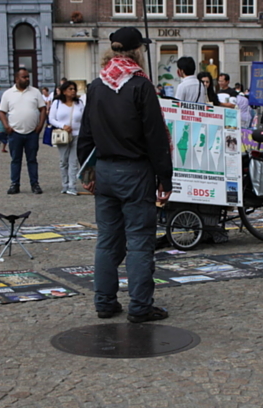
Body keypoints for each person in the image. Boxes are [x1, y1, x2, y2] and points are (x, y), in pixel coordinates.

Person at [77, 26, 173, 323]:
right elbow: (155, 137)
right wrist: (165, 178)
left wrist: (87, 173)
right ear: (137, 52)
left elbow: (86, 135)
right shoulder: (141, 86)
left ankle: (105, 302)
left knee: (107, 240)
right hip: (136, 173)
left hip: (105, 171)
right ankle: (140, 307)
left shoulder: (96, 85)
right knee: (140, 242)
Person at [0, 68, 46, 195]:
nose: (27, 79)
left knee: (32, 159)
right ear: (16, 78)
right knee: (15, 159)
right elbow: (2, 112)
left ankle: (34, 184)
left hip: (32, 132)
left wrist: (40, 125)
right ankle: (15, 184)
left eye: (27, 77)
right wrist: (6, 126)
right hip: (15, 132)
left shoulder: (35, 92)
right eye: (24, 77)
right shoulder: (8, 93)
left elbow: (43, 109)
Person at [49, 80, 84, 195]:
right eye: (70, 89)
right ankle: (65, 184)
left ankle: (72, 186)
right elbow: (51, 118)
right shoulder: (57, 103)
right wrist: (62, 126)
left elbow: (84, 118)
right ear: (64, 91)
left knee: (74, 161)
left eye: (74, 89)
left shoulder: (79, 103)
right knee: (63, 160)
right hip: (62, 135)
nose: (73, 91)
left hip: (77, 134)